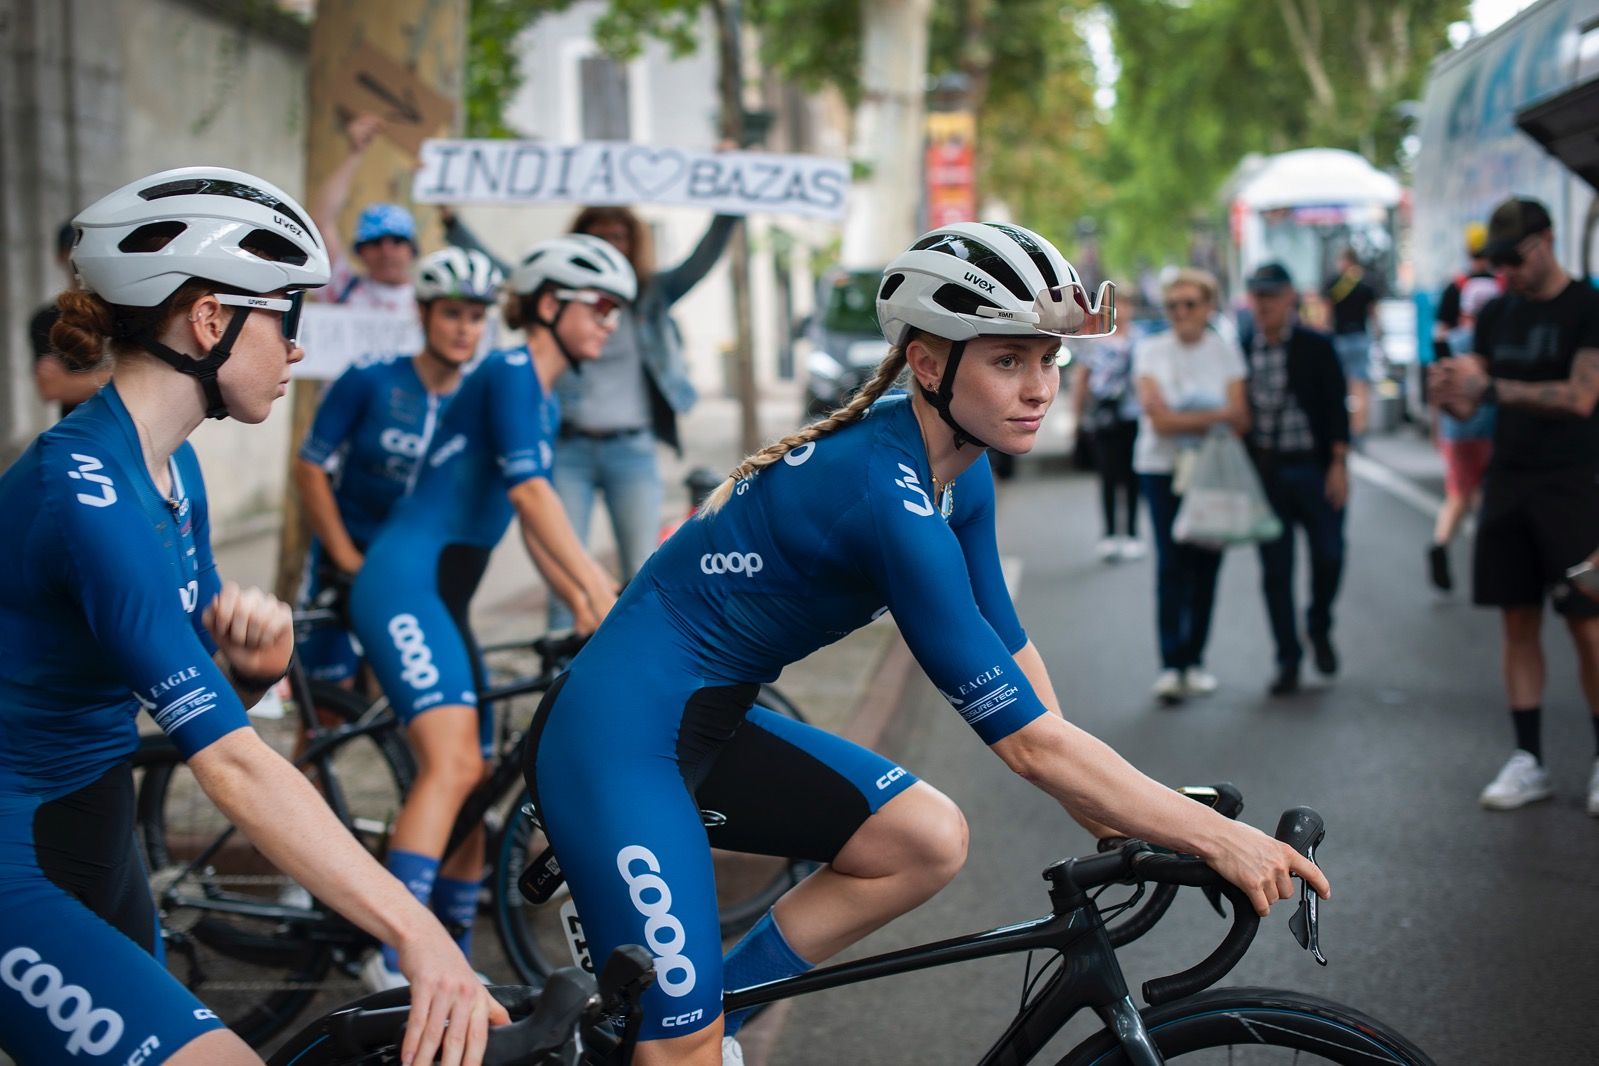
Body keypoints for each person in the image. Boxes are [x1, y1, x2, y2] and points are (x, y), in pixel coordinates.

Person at [523, 222, 1327, 1066]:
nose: (1039, 388)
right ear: (929, 364)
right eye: (1007, 361)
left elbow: (1013, 660)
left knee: (922, 839)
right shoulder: (885, 495)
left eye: (1049, 360)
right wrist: (1216, 839)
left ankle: (697, 1014)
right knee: (676, 1054)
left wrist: (1110, 813)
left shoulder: (960, 469)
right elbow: (1025, 745)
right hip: (615, 739)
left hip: (705, 721)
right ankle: (682, 1033)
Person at [0, 166, 503, 1066]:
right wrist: (414, 931)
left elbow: (172, 673)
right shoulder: (83, 491)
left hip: (90, 816)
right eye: (287, 316)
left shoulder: (170, 467)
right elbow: (231, 763)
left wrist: (245, 667)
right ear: (209, 320)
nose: (298, 349)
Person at [349, 235, 630, 990]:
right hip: (400, 586)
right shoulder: (509, 371)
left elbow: (535, 526)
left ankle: (453, 956)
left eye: (618, 310)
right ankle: (392, 954)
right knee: (452, 765)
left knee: (476, 784)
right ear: (547, 305)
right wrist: (602, 594)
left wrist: (581, 603)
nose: (610, 322)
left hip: (444, 598)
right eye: (599, 305)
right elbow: (531, 498)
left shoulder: (536, 396)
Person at [447, 205, 737, 629]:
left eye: (618, 236)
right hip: (571, 442)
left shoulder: (647, 293)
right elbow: (531, 503)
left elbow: (700, 263)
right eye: (597, 236)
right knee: (565, 568)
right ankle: (568, 664)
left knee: (642, 568)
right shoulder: (520, 374)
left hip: (631, 445)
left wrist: (728, 210)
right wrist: (454, 224)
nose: (608, 322)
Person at [1429, 196, 1599, 815]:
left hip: (1576, 483)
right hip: (1510, 480)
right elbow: (1474, 403)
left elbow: (1583, 397)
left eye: (1514, 258)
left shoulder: (1587, 305)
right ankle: (1529, 759)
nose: (1506, 272)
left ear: (1546, 240)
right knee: (1517, 621)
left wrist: (1489, 386)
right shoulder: (1498, 312)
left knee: (1586, 621)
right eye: (1495, 262)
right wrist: (1449, 394)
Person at [293, 248, 504, 686]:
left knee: (402, 698)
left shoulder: (479, 398)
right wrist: (346, 557)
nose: (465, 329)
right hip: (346, 555)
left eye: (476, 317)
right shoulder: (371, 378)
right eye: (452, 314)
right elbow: (310, 466)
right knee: (329, 702)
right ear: (422, 312)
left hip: (416, 567)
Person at [1132, 268, 1250, 704]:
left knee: (1207, 564)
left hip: (1212, 469)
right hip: (1161, 468)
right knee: (1171, 563)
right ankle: (1170, 664)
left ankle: (1195, 659)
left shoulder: (1225, 351)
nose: (1180, 313)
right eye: (1173, 305)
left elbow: (1241, 418)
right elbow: (1159, 422)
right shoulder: (1150, 350)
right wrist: (1214, 415)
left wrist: (1185, 416)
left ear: (1209, 307)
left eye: (1190, 304)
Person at [1240, 263, 1351, 696]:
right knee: (1275, 571)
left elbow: (1336, 408)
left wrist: (1339, 464)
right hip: (1267, 472)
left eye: (1271, 295)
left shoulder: (1316, 346)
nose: (1263, 304)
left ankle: (1318, 623)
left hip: (1314, 468)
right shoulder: (1246, 346)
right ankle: (1288, 657)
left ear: (1290, 298)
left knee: (1330, 555)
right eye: (1257, 296)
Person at [1427, 222, 1501, 592]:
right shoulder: (1497, 326)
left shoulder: (1452, 320)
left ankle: (1445, 544)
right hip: (1486, 425)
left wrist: (1436, 422)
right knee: (1479, 492)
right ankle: (1487, 554)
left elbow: (1438, 375)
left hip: (1462, 430)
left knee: (1460, 492)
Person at [313, 113, 418, 312]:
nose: (386, 251)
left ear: (412, 249)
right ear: (361, 250)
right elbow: (322, 222)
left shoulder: (429, 302)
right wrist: (355, 153)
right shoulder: (343, 288)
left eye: (396, 241)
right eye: (375, 242)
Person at [1070, 291, 1143, 562]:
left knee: (1133, 477)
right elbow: (1082, 379)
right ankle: (1111, 533)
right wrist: (1077, 418)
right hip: (1104, 419)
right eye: (1116, 305)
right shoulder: (1096, 342)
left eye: (1125, 304)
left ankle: (1133, 533)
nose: (1121, 310)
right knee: (1109, 477)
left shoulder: (1140, 340)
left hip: (1135, 417)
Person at [31, 220, 111, 416]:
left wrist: (76, 383)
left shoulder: (127, 307)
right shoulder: (46, 319)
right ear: (61, 256)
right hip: (80, 430)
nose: (79, 257)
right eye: (73, 248)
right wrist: (123, 375)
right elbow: (53, 388)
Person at [1321, 245, 1379, 439]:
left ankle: (1344, 425)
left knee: (1340, 384)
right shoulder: (1367, 282)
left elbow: (1326, 315)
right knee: (1360, 384)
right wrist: (1379, 334)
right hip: (1361, 338)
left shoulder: (1334, 282)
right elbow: (1373, 314)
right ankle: (1359, 426)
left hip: (1339, 339)